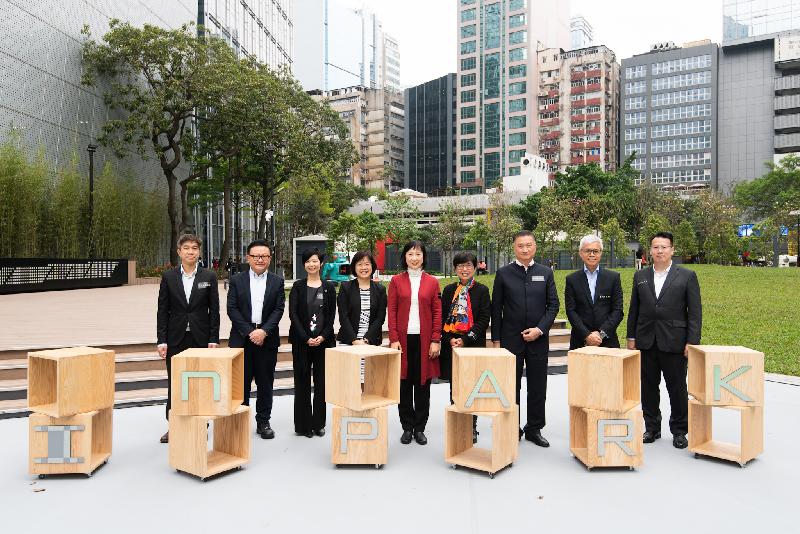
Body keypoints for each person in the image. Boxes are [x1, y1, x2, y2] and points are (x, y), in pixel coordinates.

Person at [627, 231, 702, 450]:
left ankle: (679, 431)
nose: (659, 251)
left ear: (672, 250)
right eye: (655, 247)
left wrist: (692, 341)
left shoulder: (687, 276)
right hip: (646, 340)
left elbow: (695, 312)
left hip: (675, 342)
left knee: (677, 388)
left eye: (664, 247)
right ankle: (652, 428)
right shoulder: (640, 276)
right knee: (649, 387)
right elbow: (635, 309)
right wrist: (631, 337)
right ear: (650, 251)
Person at [491, 231, 559, 447]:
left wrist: (540, 329)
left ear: (535, 247)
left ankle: (534, 428)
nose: (525, 249)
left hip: (538, 339)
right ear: (514, 248)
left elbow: (554, 305)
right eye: (520, 246)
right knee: (511, 386)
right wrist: (496, 341)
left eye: (529, 245)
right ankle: (512, 427)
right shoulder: (503, 274)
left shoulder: (545, 273)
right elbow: (496, 309)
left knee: (538, 386)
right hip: (511, 340)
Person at [156, 234, 220, 443]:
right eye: (186, 248)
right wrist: (161, 340)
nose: (190, 251)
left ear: (199, 252)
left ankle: (201, 424)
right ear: (179, 251)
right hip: (175, 338)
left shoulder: (209, 276)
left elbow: (215, 311)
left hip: (201, 338)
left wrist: (214, 338)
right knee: (175, 383)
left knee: (200, 382)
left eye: (194, 248)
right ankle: (173, 425)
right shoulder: (169, 277)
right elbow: (162, 310)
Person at [227, 240, 285, 439]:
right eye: (256, 256)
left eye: (264, 256)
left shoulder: (277, 281)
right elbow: (232, 308)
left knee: (265, 383)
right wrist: (250, 332)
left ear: (269, 258)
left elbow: (278, 309)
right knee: (239, 384)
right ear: (248, 258)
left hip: (267, 340)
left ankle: (263, 422)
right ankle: (239, 422)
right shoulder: (236, 280)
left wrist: (264, 332)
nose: (260, 259)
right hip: (242, 340)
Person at [388, 240, 442, 446]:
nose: (414, 258)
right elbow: (391, 311)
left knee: (422, 385)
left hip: (424, 340)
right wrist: (393, 338)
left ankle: (420, 428)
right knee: (403, 385)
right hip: (402, 341)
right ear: (404, 257)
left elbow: (437, 312)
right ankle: (407, 427)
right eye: (410, 254)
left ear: (424, 257)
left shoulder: (432, 282)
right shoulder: (396, 281)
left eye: (418, 254)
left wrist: (435, 339)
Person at [440, 252, 491, 442]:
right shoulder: (448, 291)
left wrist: (466, 339)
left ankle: (472, 426)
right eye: (460, 265)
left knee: (472, 388)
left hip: (473, 345)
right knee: (455, 387)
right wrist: (450, 339)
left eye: (468, 265)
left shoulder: (482, 290)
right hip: (452, 346)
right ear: (455, 269)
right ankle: (458, 424)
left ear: (475, 267)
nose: (464, 269)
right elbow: (442, 318)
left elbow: (484, 319)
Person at [289, 248, 337, 438]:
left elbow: (332, 316)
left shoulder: (329, 287)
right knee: (301, 383)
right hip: (302, 342)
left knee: (321, 384)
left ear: (321, 263)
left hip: (323, 343)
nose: (312, 264)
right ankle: (303, 425)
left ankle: (318, 424)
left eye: (315, 261)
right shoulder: (298, 287)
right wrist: (305, 337)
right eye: (308, 261)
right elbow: (293, 314)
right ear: (304, 264)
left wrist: (323, 336)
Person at [564, 234, 624, 350]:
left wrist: (601, 334)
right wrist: (587, 335)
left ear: (601, 253)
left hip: (607, 341)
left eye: (595, 251)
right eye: (587, 251)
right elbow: (571, 311)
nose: (592, 254)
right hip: (580, 342)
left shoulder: (613, 278)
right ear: (581, 253)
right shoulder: (572, 279)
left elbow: (618, 310)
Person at [337, 251, 387, 347]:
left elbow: (380, 318)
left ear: (372, 266)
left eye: (367, 264)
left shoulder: (380, 289)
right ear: (354, 267)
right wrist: (354, 340)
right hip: (349, 342)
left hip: (371, 342)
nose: (364, 268)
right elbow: (343, 316)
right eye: (360, 264)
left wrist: (366, 339)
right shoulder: (345, 287)